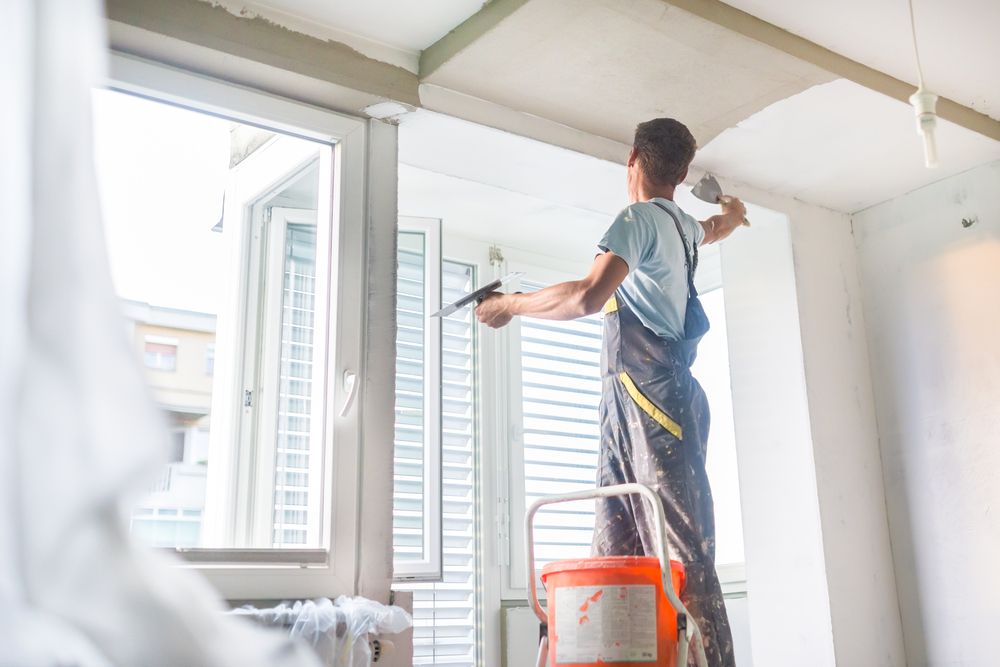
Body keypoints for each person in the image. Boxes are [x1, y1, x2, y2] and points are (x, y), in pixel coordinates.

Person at [474, 118, 746, 667]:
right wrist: (734, 213)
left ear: (632, 160)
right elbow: (716, 227)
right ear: (684, 172)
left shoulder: (638, 219)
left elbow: (587, 296)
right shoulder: (683, 228)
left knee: (683, 558)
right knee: (617, 546)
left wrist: (510, 304)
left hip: (654, 404)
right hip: (638, 404)